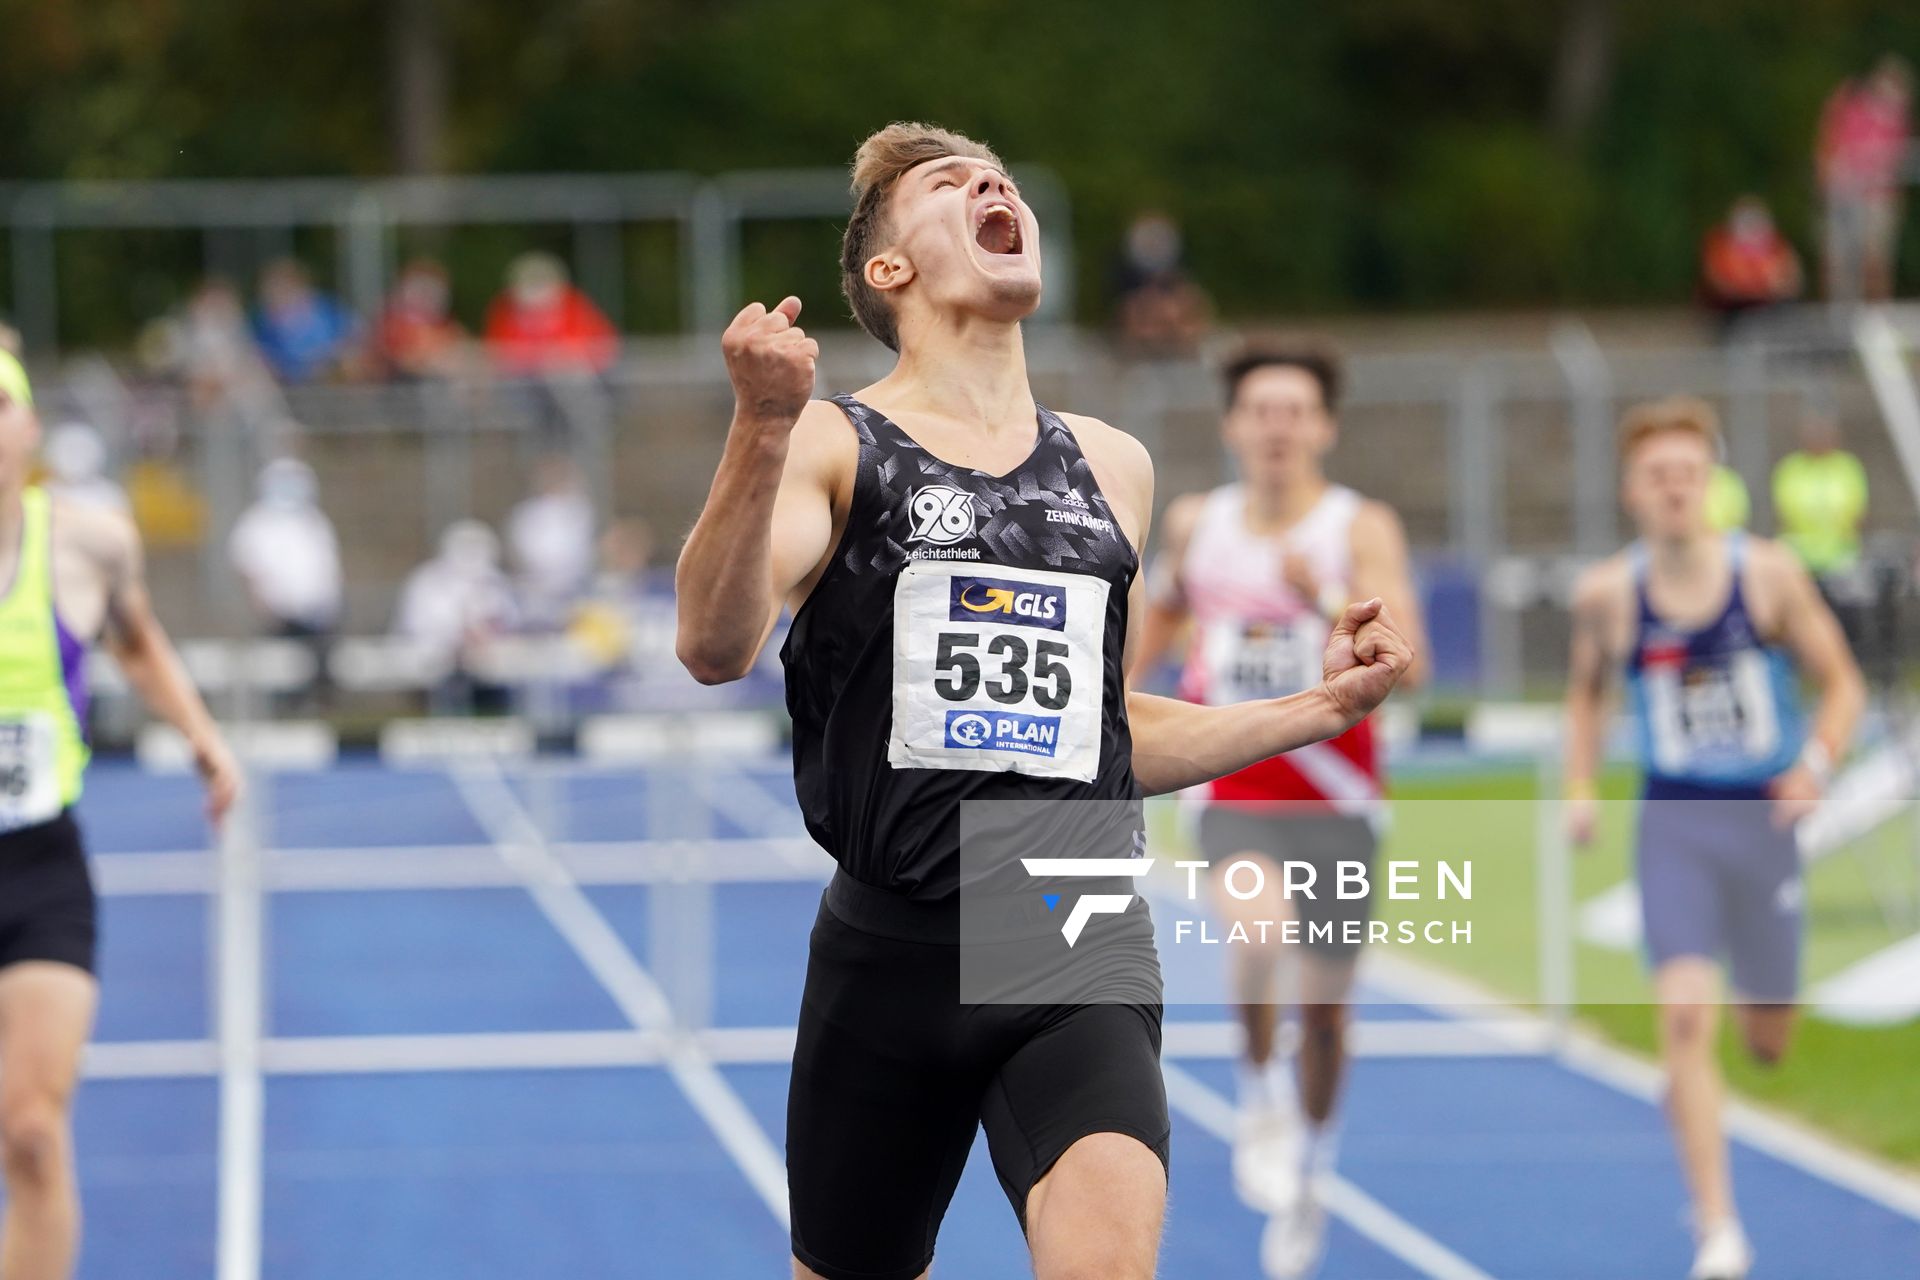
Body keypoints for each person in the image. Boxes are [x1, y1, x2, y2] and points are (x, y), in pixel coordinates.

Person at [675, 123, 1412, 1280]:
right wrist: (759, 427)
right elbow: (714, 645)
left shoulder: (1107, 464)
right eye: (946, 183)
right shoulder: (835, 441)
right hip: (891, 940)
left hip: (1066, 915)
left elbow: (1106, 730)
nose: (991, 184)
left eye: (998, 175)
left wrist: (1316, 709)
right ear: (889, 270)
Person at [1130, 342, 1427, 1278]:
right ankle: (1258, 1090)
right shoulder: (1198, 521)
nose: (1277, 428)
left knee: (1329, 1014)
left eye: (1295, 412)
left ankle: (1313, 1167)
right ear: (1233, 426)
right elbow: (1167, 612)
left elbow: (1404, 644)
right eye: (1260, 410)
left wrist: (1323, 596)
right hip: (1237, 782)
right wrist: (1112, 694)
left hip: (1337, 794)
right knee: (1255, 932)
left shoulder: (1356, 525)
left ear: (1323, 428)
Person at [1563, 396, 1863, 1280]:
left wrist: (1814, 764)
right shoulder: (1609, 596)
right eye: (1658, 476)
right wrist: (1582, 788)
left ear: (1713, 483)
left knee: (1767, 1039)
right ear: (1632, 491)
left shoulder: (1767, 575)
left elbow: (1842, 683)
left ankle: (1698, 1073)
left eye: (1689, 474)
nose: (1674, 490)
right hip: (1677, 819)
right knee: (1687, 1016)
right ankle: (1719, 1228)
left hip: (1765, 820)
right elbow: (1585, 698)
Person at [0, 348, 240, 1280]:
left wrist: (204, 738)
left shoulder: (87, 541)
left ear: (27, 429)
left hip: (39, 871)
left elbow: (137, 644)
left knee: (29, 1131)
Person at [227, 458, 344, 709]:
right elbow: (249, 571)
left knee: (322, 678)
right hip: (279, 620)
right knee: (282, 685)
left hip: (318, 619)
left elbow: (328, 571)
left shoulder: (313, 521)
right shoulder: (257, 522)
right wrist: (266, 610)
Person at [1816, 56, 1913, 304]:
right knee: (1839, 260)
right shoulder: (1855, 110)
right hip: (1846, 195)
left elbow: (1897, 161)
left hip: (1878, 197)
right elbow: (1831, 142)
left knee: (1875, 259)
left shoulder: (1898, 119)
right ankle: (1840, 313)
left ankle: (1876, 314)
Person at [394, 520, 518, 713]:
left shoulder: (494, 581)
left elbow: (509, 620)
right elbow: (414, 626)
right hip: (435, 667)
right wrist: (453, 639)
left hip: (486, 669)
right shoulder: (426, 581)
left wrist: (484, 637)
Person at [483, 253, 618, 380]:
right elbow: (499, 353)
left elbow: (600, 347)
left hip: (574, 378)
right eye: (530, 285)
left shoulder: (574, 306)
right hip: (524, 381)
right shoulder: (505, 310)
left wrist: (557, 358)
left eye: (540, 285)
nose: (536, 293)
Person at [506, 456, 596, 630]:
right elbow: (524, 549)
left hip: (573, 586)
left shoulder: (579, 510)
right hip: (534, 587)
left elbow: (580, 548)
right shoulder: (527, 512)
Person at [1109, 211, 1212, 359]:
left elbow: (1183, 280)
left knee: (1180, 306)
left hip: (1164, 296)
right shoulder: (1124, 261)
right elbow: (1122, 286)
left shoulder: (1176, 257)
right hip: (1140, 298)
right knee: (1147, 309)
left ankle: (1184, 346)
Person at [1698, 196, 1802, 338]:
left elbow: (1791, 278)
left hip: (1768, 302)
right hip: (1735, 305)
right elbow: (1720, 282)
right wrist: (1754, 288)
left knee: (1787, 308)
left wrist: (1774, 286)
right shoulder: (1721, 245)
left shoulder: (1776, 245)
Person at [250, 259, 358, 384]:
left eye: (279, 285)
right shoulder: (265, 320)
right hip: (288, 377)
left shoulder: (324, 308)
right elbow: (261, 351)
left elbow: (352, 334)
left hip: (327, 368)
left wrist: (332, 355)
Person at [369, 259, 466, 381]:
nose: (426, 294)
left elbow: (456, 342)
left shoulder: (443, 323)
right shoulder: (392, 319)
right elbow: (395, 354)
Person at [39, 424, 129, 515]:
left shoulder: (109, 494)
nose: (75, 458)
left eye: (82, 450)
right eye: (70, 450)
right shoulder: (43, 493)